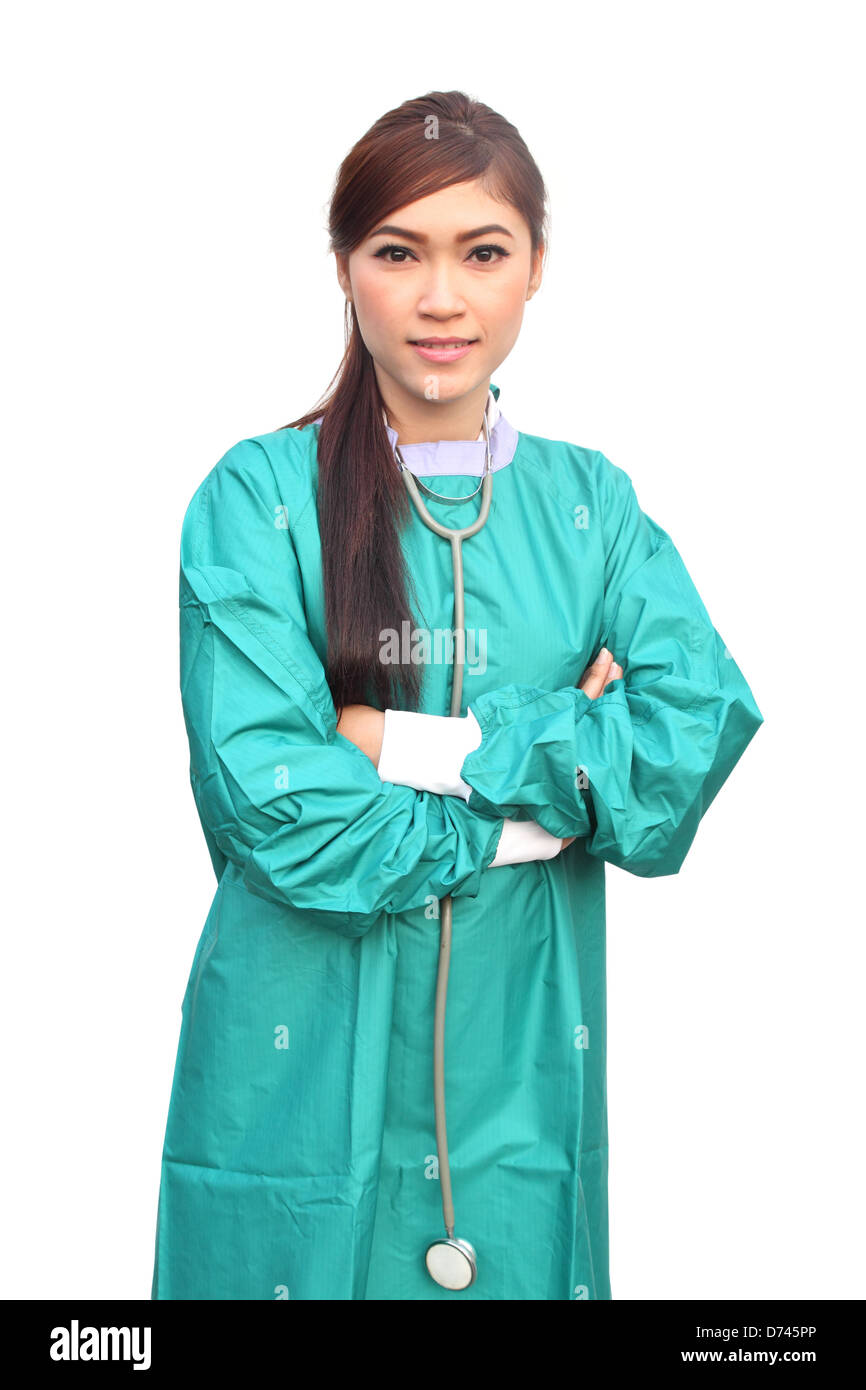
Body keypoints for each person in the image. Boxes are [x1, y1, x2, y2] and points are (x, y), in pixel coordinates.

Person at [150, 90, 764, 1301]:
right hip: (299, 1058)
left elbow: (688, 741)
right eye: (397, 253)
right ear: (343, 266)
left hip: (519, 1050)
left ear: (536, 266)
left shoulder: (595, 510)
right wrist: (562, 771)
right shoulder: (254, 499)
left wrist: (400, 742)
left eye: (482, 252)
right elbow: (275, 801)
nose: (442, 299)